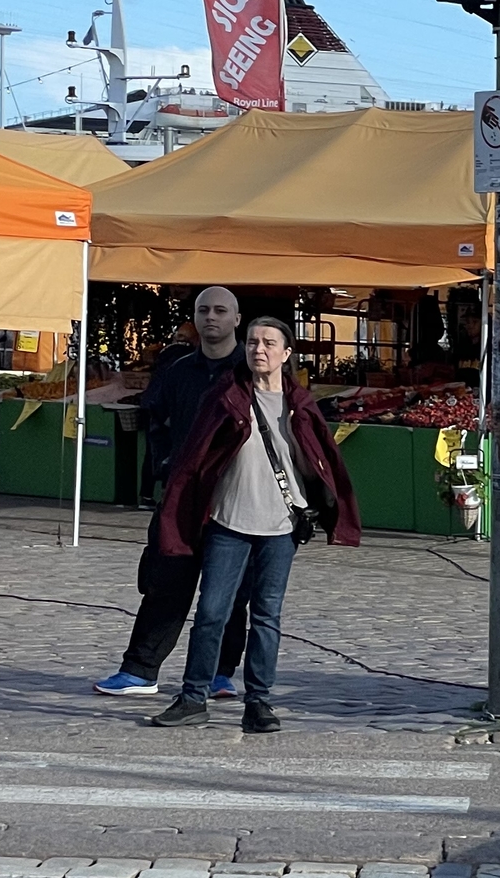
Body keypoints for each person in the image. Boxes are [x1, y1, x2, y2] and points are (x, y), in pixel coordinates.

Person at [144, 318, 359, 732]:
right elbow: (194, 458)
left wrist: (322, 507)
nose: (258, 349)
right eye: (252, 342)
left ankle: (258, 702)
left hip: (279, 526)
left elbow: (320, 461)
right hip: (229, 522)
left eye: (268, 343)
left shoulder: (300, 404)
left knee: (266, 616)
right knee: (211, 612)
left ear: (286, 352)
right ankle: (193, 697)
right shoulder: (224, 396)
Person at [94, 287, 252, 700]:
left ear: (237, 319)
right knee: (165, 581)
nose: (210, 318)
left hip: (234, 497)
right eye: (203, 310)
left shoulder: (252, 371)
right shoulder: (179, 370)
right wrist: (164, 468)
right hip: (182, 496)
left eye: (220, 311)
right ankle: (140, 670)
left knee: (229, 593)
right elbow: (157, 422)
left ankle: (219, 673)